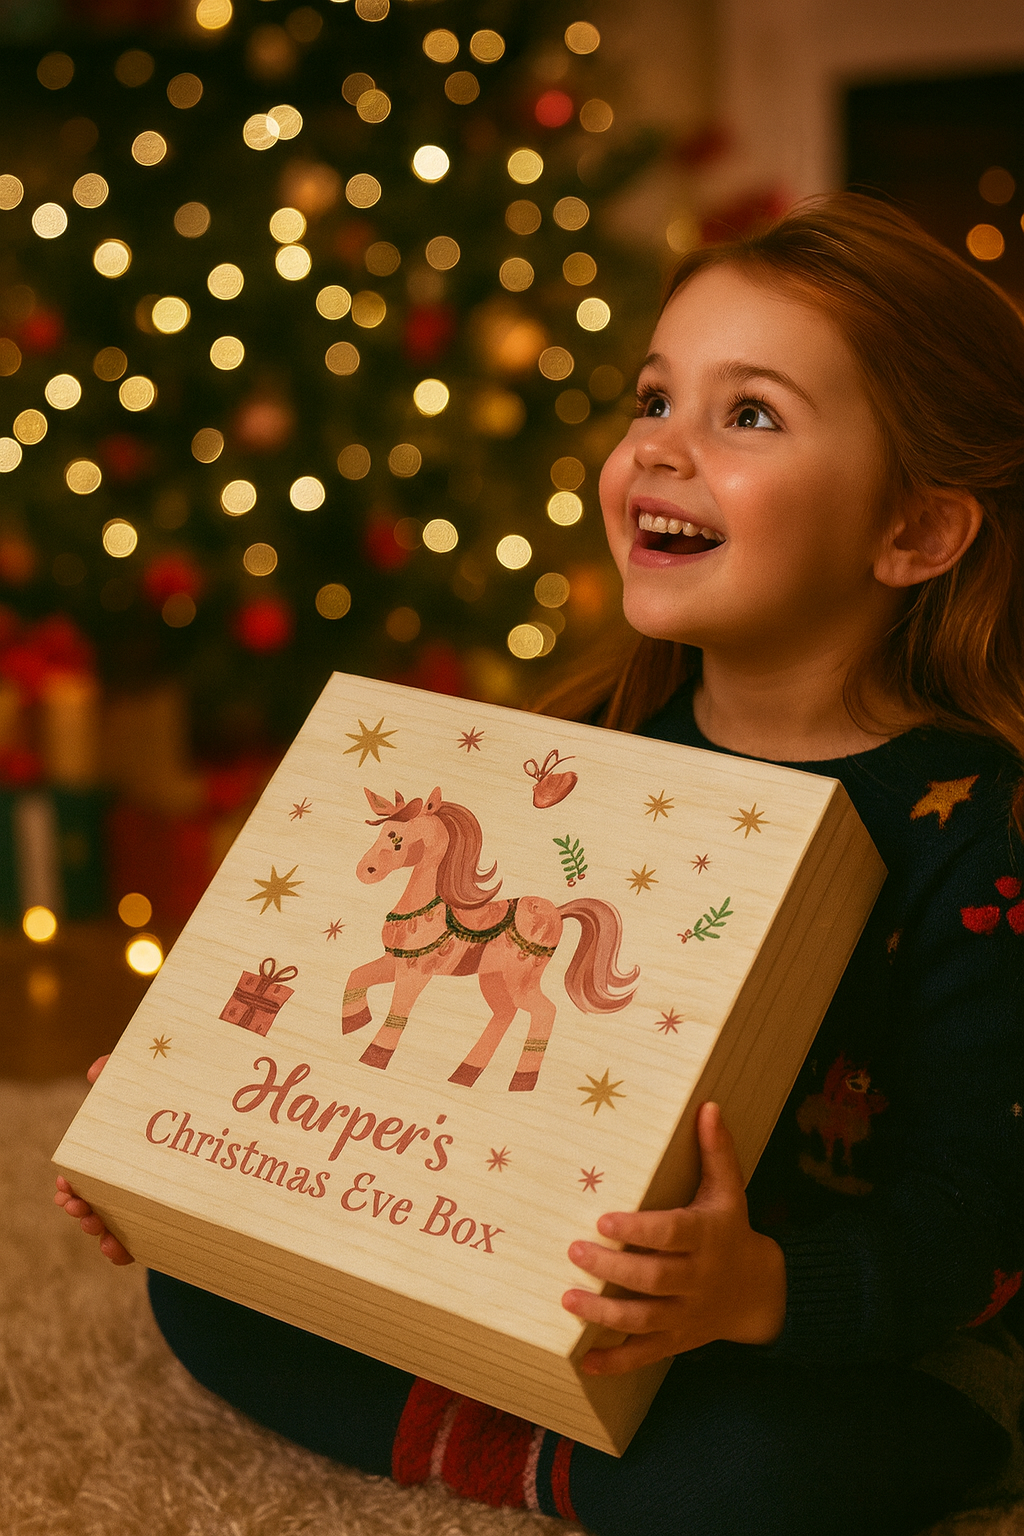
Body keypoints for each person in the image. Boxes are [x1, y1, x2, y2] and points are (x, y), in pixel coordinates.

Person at [56, 193, 1024, 1536]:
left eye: (748, 415)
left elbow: (978, 1215)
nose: (662, 451)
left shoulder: (977, 829)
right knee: (199, 1294)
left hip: (833, 1324)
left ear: (916, 532)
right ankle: (547, 1445)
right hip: (557, 1279)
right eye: (652, 400)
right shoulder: (574, 758)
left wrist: (757, 1289)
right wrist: (198, 1137)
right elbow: (396, 1030)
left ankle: (558, 1449)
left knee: (787, 1465)